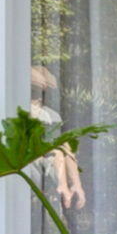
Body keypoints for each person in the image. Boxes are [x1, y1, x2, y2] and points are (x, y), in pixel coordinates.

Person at [28, 64, 87, 211]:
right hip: (27, 162)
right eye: (34, 91)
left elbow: (63, 149)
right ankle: (62, 187)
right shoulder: (19, 111)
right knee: (57, 152)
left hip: (47, 163)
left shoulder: (49, 115)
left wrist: (76, 183)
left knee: (62, 150)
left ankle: (68, 188)